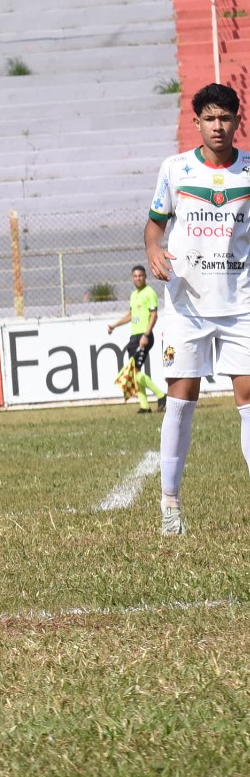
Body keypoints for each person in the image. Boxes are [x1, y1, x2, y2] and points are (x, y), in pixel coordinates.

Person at [144, 82, 250, 536]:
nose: (218, 126)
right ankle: (170, 503)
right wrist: (154, 251)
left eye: (226, 118)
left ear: (238, 121)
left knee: (249, 402)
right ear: (197, 123)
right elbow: (154, 227)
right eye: (210, 118)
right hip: (186, 305)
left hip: (241, 304)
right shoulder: (175, 169)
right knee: (181, 401)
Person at [105, 265, 166, 413]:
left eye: (140, 276)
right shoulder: (133, 295)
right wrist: (115, 325)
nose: (138, 278)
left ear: (145, 276)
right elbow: (131, 315)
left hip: (144, 336)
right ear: (132, 278)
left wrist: (146, 335)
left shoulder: (149, 292)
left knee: (135, 372)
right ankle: (144, 406)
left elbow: (154, 315)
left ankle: (161, 396)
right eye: (135, 276)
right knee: (134, 371)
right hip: (134, 337)